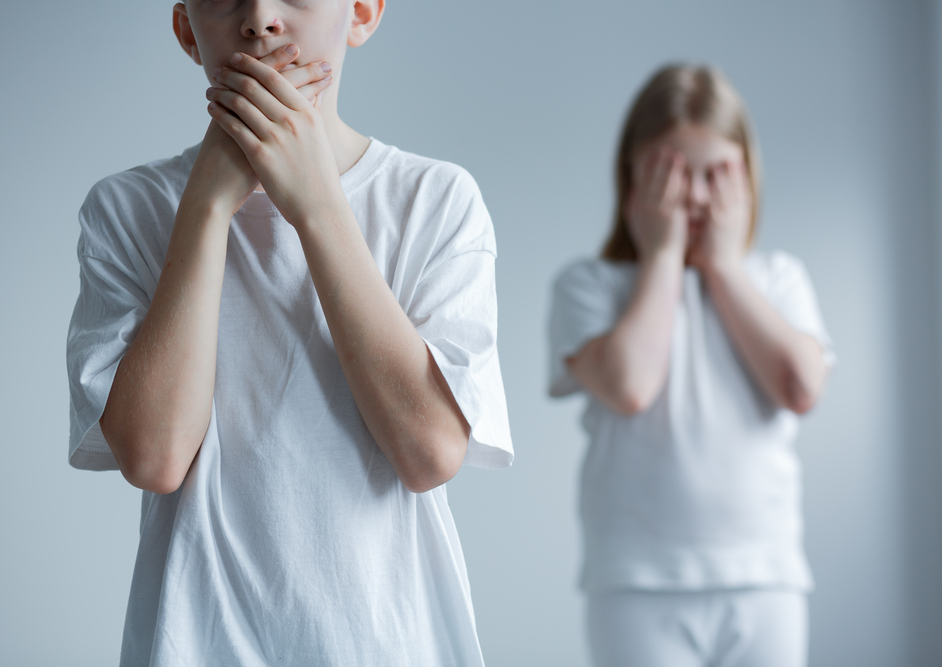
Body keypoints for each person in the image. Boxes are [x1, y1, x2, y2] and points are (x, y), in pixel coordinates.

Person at [66, 1, 513, 664]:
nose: (259, 19)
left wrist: (316, 202)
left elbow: (429, 452)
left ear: (360, 13)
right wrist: (209, 204)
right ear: (188, 30)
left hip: (393, 644)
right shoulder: (126, 210)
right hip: (197, 643)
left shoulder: (436, 200)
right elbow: (154, 457)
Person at [548, 64, 833, 667]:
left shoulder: (778, 280)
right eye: (674, 175)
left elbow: (800, 387)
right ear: (632, 180)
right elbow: (629, 385)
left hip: (764, 578)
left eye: (716, 175)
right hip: (636, 581)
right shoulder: (591, 286)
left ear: (749, 178)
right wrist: (663, 256)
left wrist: (725, 269)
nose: (698, 198)